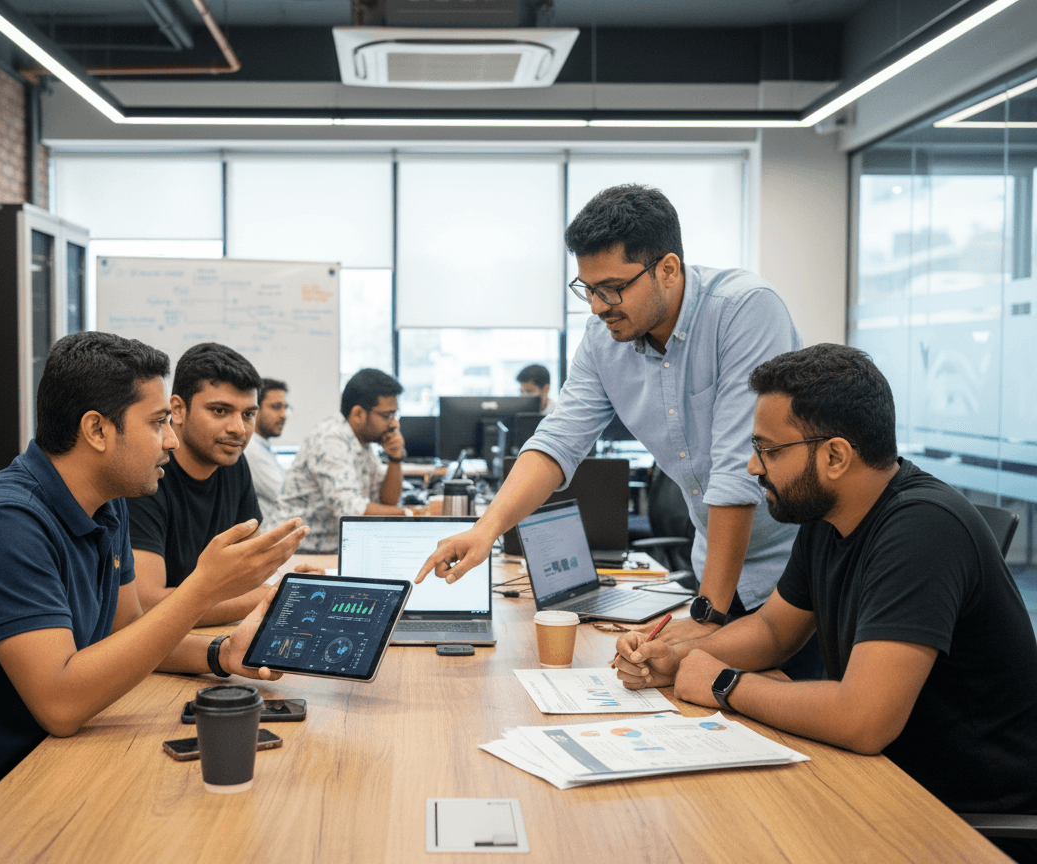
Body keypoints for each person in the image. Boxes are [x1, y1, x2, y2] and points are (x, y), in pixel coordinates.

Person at [0, 332, 307, 864]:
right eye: (156, 423)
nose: (171, 439)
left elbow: (127, 633)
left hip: (40, 772)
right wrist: (202, 589)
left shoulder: (107, 503)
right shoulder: (4, 524)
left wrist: (217, 655)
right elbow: (61, 704)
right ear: (97, 429)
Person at [613, 343, 1037, 863]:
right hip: (879, 779)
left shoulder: (922, 530)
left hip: (956, 816)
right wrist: (677, 659)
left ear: (834, 456)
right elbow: (774, 629)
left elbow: (863, 719)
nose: (752, 466)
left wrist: (724, 682)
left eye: (768, 450)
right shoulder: (829, 516)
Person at [417, 184, 803, 649]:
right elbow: (557, 442)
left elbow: (736, 471)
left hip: (795, 573)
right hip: (716, 572)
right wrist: (486, 530)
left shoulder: (743, 310)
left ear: (668, 269)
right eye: (588, 289)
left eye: (613, 289)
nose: (598, 307)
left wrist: (706, 615)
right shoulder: (603, 340)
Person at [127, 344, 308, 627]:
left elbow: (251, 575)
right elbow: (147, 604)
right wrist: (278, 596)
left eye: (248, 414)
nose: (238, 428)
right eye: (220, 410)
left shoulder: (234, 463)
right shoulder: (145, 473)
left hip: (208, 634)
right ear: (178, 409)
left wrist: (287, 586)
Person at [279, 368, 427, 553]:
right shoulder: (330, 439)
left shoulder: (363, 443)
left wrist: (395, 459)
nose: (394, 424)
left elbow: (386, 502)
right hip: (297, 552)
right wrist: (413, 514)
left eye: (395, 415)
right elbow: (350, 510)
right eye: (387, 416)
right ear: (358, 414)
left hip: (333, 549)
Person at [245, 377, 289, 530]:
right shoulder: (250, 449)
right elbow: (289, 496)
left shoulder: (262, 446)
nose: (283, 415)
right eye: (276, 407)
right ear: (254, 409)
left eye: (285, 407)